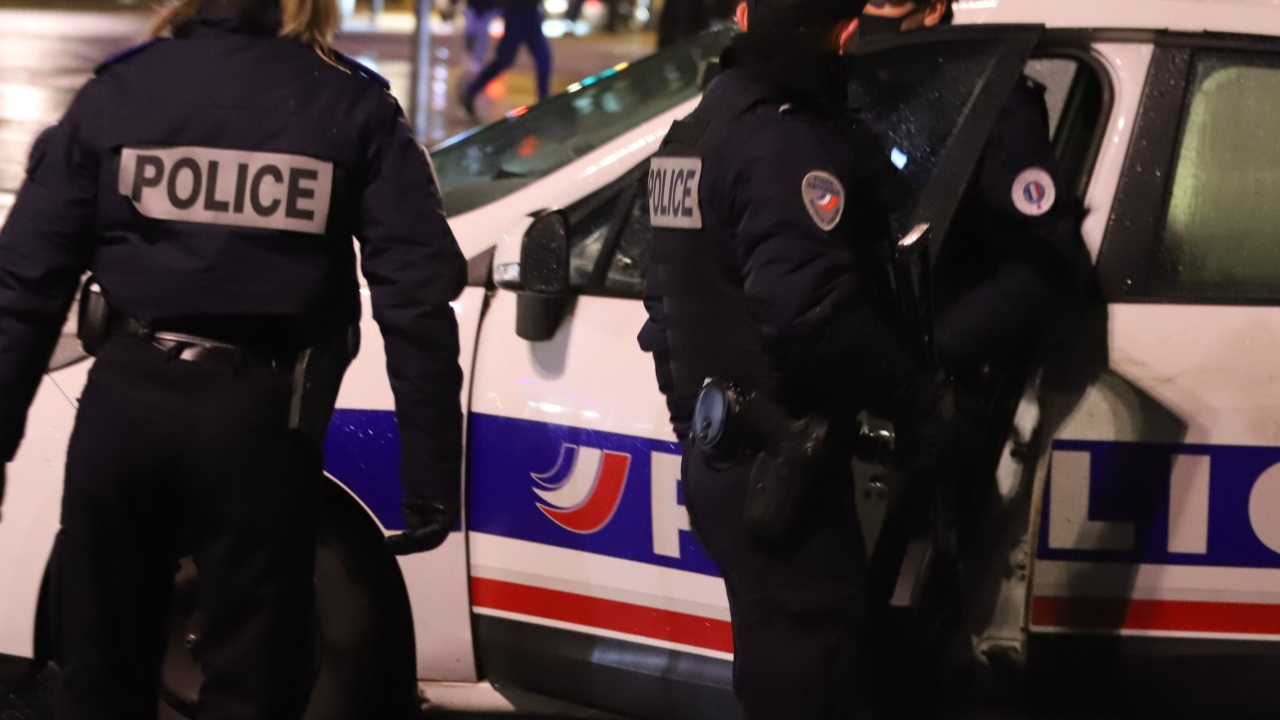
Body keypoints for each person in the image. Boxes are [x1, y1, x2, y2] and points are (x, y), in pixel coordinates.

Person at [0, 0, 467, 718]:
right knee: (255, 679)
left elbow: (24, 287)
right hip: (259, 425)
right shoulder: (348, 100)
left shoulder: (123, 91)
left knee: (100, 674)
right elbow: (417, 298)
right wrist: (431, 470)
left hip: (124, 408)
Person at [636, 0, 953, 715]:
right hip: (781, 457)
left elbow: (662, 305)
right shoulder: (781, 142)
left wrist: (697, 418)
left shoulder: (694, 133)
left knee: (782, 660)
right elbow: (809, 312)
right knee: (812, 675)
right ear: (838, 31)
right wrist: (918, 404)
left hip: (732, 453)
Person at [859, 0, 1091, 374]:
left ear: (933, 9)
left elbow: (1040, 266)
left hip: (940, 376)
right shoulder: (873, 92)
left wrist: (931, 355)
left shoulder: (990, 104)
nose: (865, 17)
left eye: (884, 3)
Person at [458, 0, 553, 121]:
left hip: (529, 12)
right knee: (507, 59)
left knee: (542, 58)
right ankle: (470, 91)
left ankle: (544, 103)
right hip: (517, 12)